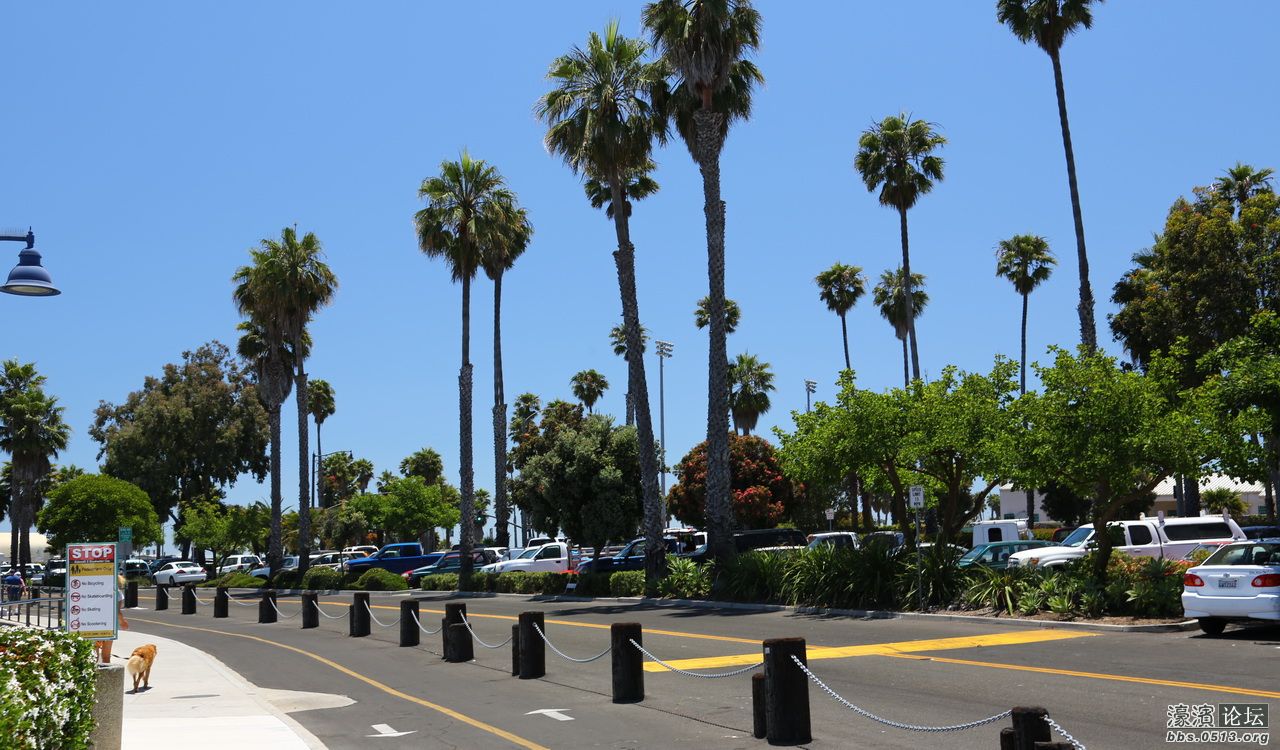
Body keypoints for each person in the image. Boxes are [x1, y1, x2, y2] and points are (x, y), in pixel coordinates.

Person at [94, 574, 129, 665]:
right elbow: (117, 612)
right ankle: (106, 672)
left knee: (94, 655)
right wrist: (122, 622)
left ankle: (92, 672)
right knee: (106, 656)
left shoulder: (96, 589)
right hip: (109, 625)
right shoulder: (117, 593)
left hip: (94, 623)